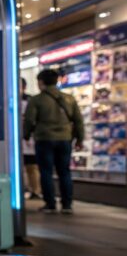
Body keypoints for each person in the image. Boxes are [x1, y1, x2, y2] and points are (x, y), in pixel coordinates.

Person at [23, 69, 84, 214]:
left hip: (44, 139)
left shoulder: (37, 100)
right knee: (64, 172)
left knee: (46, 171)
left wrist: (26, 135)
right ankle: (67, 204)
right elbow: (78, 120)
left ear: (41, 82)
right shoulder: (69, 98)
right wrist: (80, 139)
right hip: (65, 139)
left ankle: (50, 204)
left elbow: (30, 120)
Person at [20, 78, 42, 200]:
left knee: (31, 166)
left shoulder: (31, 101)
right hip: (18, 139)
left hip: (28, 139)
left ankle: (36, 190)